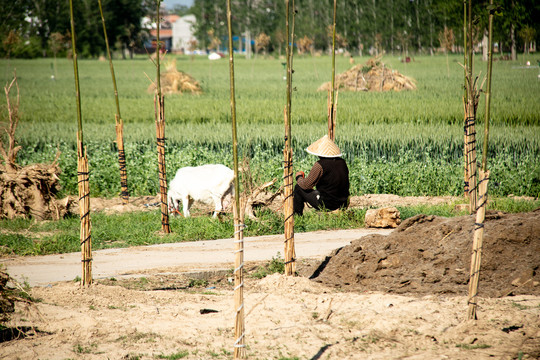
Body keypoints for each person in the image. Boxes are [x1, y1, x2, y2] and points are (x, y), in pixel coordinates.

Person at [294, 135, 350, 215]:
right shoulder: (342, 162)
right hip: (343, 202)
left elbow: (306, 185)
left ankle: (297, 215)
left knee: (298, 188)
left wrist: (299, 177)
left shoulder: (320, 165)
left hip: (327, 204)